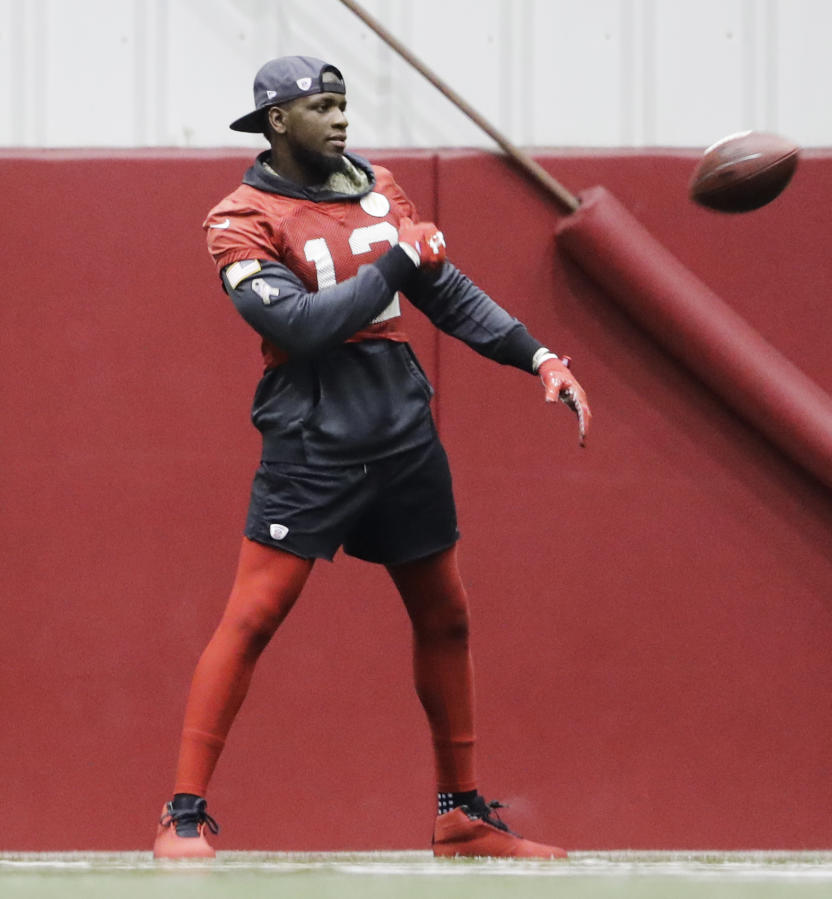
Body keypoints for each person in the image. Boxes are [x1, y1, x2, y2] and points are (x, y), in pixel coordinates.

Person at [153, 55, 590, 861]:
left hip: (403, 432)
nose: (342, 119)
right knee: (252, 617)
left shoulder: (377, 185)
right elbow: (302, 327)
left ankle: (460, 814)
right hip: (315, 443)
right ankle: (182, 814)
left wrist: (539, 356)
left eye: (344, 103)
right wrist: (396, 258)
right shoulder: (239, 218)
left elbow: (443, 289)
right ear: (279, 122)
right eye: (323, 107)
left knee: (447, 614)